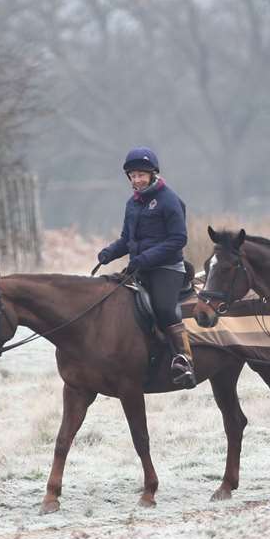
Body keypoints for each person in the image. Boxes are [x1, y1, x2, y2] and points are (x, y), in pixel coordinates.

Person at [96, 147, 195, 388]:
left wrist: (145, 258)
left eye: (142, 174)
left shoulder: (169, 200)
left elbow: (178, 240)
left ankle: (184, 359)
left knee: (163, 308)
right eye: (133, 175)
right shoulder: (132, 204)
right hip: (140, 267)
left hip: (168, 268)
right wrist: (110, 252)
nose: (137, 179)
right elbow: (126, 239)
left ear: (152, 174)